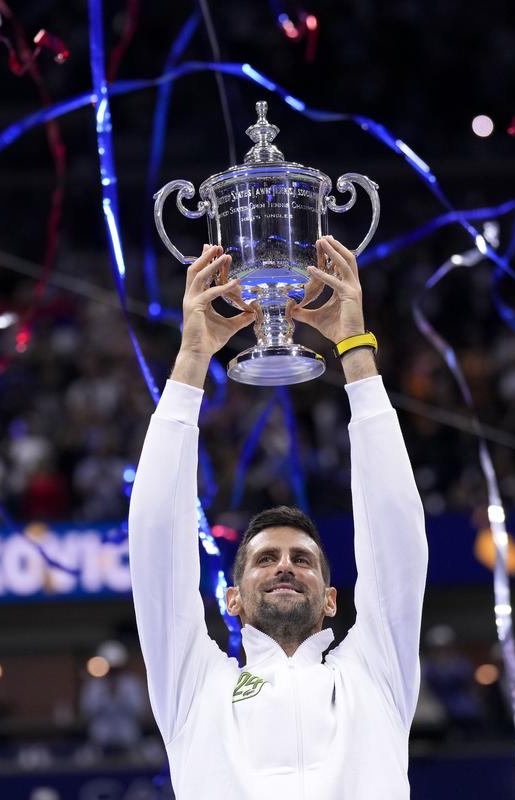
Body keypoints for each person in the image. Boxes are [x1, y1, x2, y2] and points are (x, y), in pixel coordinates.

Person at [129, 237, 428, 798]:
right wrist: (192, 361)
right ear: (233, 599)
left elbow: (397, 536)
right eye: (265, 558)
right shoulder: (195, 685)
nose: (285, 566)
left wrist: (355, 351)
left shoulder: (373, 673)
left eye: (303, 559)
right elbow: (154, 541)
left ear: (332, 598)